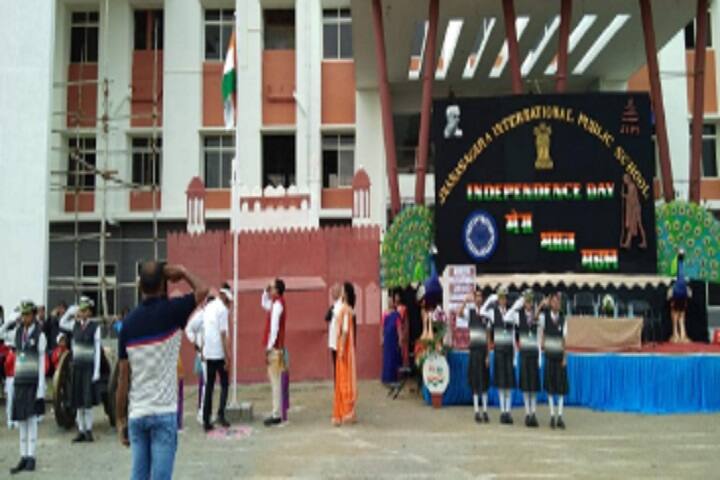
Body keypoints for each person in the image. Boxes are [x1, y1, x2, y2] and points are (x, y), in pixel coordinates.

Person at [116, 262, 207, 480]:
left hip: (137, 412)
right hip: (164, 411)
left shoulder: (127, 325)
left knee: (138, 475)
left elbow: (122, 379)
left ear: (140, 286)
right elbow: (203, 290)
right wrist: (183, 272)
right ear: (163, 284)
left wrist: (120, 420)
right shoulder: (174, 311)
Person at [187, 284, 232, 431]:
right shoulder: (223, 310)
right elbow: (223, 334)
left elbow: (205, 331)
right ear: (224, 295)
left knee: (209, 387)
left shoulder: (207, 309)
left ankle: (206, 421)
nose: (229, 302)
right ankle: (220, 414)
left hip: (208, 353)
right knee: (224, 384)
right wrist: (228, 357)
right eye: (228, 299)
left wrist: (202, 349)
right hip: (218, 353)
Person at [9, 301, 47, 474]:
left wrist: (41, 387)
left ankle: (31, 456)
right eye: (22, 315)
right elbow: (2, 332)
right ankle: (23, 456)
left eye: (27, 314)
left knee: (31, 420)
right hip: (20, 381)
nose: (24, 318)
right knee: (21, 421)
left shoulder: (40, 335)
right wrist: (10, 322)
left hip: (32, 382)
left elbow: (41, 363)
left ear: (33, 315)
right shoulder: (18, 332)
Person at [59, 296, 102, 443]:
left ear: (90, 312)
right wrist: (71, 311)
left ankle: (88, 430)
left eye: (85, 310)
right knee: (78, 401)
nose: (82, 313)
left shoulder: (95, 328)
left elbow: (96, 351)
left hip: (88, 367)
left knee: (87, 400)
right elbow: (62, 322)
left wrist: (96, 371)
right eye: (81, 310)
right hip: (77, 367)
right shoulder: (74, 325)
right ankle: (81, 430)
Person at [480, 287, 516, 425]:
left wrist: (514, 356)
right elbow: (482, 311)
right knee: (501, 383)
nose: (502, 300)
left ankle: (508, 411)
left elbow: (513, 335)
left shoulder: (512, 314)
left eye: (504, 298)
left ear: (506, 300)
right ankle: (502, 412)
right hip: (499, 351)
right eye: (500, 298)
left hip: (509, 350)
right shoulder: (493, 312)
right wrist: (491, 298)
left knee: (509, 384)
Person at [459, 286, 490, 423]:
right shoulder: (470, 312)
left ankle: (485, 411)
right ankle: (477, 411)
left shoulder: (486, 314)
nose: (478, 298)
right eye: (476, 296)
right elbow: (459, 313)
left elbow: (489, 337)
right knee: (475, 382)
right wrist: (465, 301)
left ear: (482, 298)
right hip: (474, 351)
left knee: (484, 382)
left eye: (480, 296)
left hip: (483, 352)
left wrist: (488, 355)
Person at [510, 290, 541, 428]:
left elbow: (539, 337)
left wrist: (540, 356)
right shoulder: (518, 315)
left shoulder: (537, 317)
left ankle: (533, 413)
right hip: (523, 354)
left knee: (533, 387)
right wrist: (518, 303)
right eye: (526, 301)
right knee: (525, 386)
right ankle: (527, 413)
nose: (528, 304)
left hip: (534, 354)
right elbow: (506, 317)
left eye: (530, 301)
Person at [539, 292, 569, 430]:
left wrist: (564, 357)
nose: (557, 304)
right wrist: (540, 305)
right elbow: (533, 320)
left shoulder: (563, 319)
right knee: (550, 389)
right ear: (550, 303)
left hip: (559, 358)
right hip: (549, 357)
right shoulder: (544, 317)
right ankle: (552, 416)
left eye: (558, 302)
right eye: (554, 301)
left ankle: (560, 416)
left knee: (561, 390)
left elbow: (564, 341)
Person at [261, 278, 287, 427]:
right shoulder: (276, 303)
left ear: (276, 290)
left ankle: (276, 414)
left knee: (275, 382)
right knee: (275, 381)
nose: (269, 290)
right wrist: (266, 289)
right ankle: (277, 411)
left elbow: (274, 328)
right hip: (277, 347)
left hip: (275, 348)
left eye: (271, 288)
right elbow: (263, 303)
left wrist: (269, 347)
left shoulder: (277, 305)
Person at [332, 282, 357, 426]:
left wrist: (341, 349)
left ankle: (346, 412)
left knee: (344, 381)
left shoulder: (346, 310)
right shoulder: (346, 309)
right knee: (342, 380)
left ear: (345, 294)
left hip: (344, 349)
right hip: (344, 348)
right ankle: (344, 412)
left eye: (342, 290)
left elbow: (345, 331)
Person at [185, 298, 211, 426]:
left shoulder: (213, 316)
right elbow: (188, 329)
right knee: (207, 384)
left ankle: (205, 412)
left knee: (209, 384)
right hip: (204, 354)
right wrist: (195, 342)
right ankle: (202, 413)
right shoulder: (200, 315)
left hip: (213, 354)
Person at [668, 249, 692, 343]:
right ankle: (679, 334)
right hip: (681, 289)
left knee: (677, 313)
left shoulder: (677, 264)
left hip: (678, 289)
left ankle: (678, 334)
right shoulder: (683, 264)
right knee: (680, 313)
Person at [381, 290, 402, 386]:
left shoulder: (396, 314)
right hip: (387, 339)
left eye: (391, 301)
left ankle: (393, 378)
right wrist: (381, 338)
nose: (389, 303)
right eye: (388, 301)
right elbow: (382, 327)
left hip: (394, 339)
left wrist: (400, 339)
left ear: (393, 303)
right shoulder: (385, 313)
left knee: (393, 358)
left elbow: (399, 328)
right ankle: (386, 378)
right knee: (386, 358)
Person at [325, 284, 342, 382]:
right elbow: (327, 318)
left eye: (334, 291)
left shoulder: (340, 307)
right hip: (334, 341)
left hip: (339, 341)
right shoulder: (334, 306)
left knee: (339, 366)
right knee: (336, 365)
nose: (332, 293)